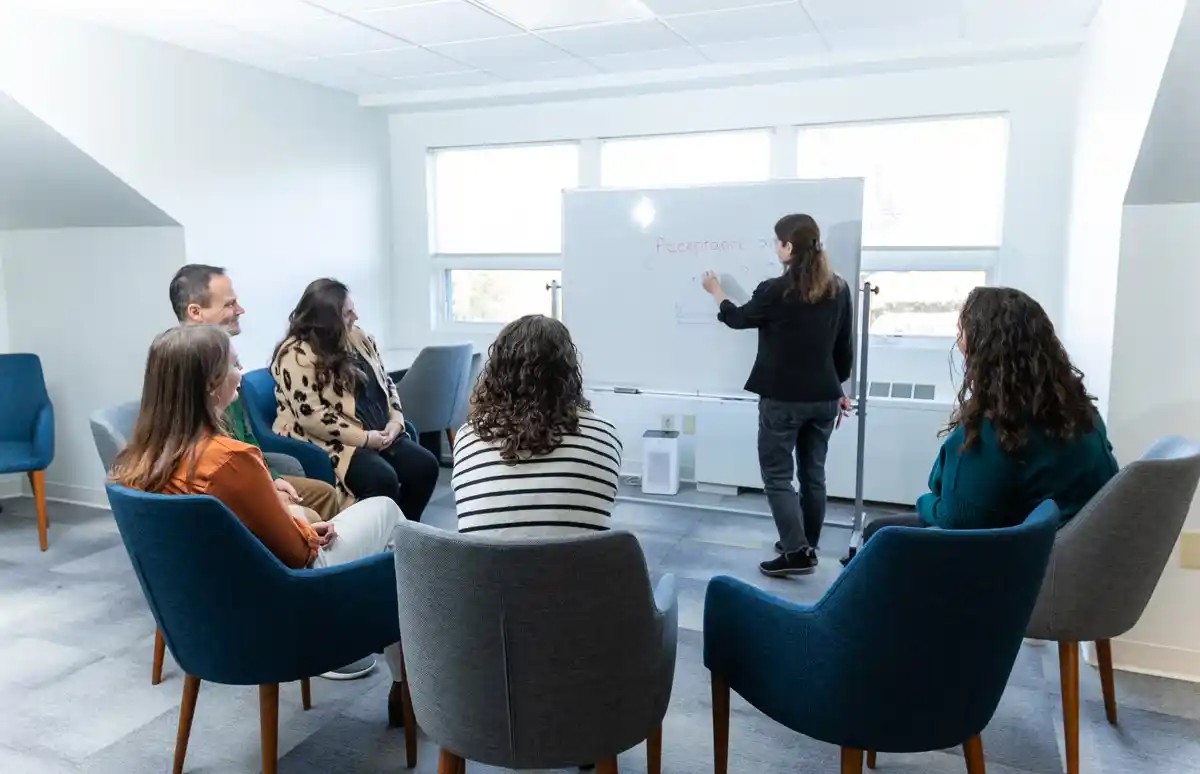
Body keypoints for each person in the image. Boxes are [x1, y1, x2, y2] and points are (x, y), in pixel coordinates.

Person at [111, 325, 410, 725]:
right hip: (283, 605)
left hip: (206, 614)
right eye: (234, 363)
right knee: (389, 515)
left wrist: (290, 517)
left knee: (323, 517)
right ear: (210, 383)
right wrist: (302, 527)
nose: (242, 370)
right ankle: (409, 684)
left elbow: (213, 532)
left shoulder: (135, 464)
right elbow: (297, 553)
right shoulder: (230, 459)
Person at [857, 286, 1119, 546]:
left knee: (878, 533)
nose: (957, 337)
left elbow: (957, 521)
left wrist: (925, 502)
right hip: (1073, 552)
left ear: (982, 349)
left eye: (961, 331)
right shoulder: (1082, 413)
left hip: (1014, 561)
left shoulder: (999, 429)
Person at [702, 213, 853, 578]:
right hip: (823, 398)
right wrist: (839, 389)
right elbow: (843, 348)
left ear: (787, 246)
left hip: (782, 400)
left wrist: (716, 292)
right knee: (813, 474)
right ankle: (805, 543)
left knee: (777, 476)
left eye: (776, 241)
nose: (774, 247)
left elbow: (737, 318)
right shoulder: (840, 288)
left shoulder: (774, 290)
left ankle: (797, 551)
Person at [169, 264, 339, 525]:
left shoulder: (223, 366)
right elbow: (213, 471)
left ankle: (331, 562)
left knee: (324, 495)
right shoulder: (180, 374)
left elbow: (246, 437)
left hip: (248, 476)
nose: (240, 310)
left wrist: (273, 478)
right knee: (312, 516)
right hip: (228, 488)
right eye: (230, 304)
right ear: (196, 312)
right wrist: (267, 491)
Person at [271, 279, 439, 521]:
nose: (356, 317)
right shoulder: (295, 354)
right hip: (338, 442)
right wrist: (365, 439)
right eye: (348, 313)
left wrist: (396, 421)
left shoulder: (360, 338)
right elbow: (312, 416)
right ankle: (378, 543)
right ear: (326, 319)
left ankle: (405, 533)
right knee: (382, 479)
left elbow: (386, 383)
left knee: (425, 466)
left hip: (381, 432)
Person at [452, 315, 622, 538]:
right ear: (568, 371)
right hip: (576, 572)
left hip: (480, 571)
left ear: (496, 371)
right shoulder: (605, 435)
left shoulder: (468, 436)